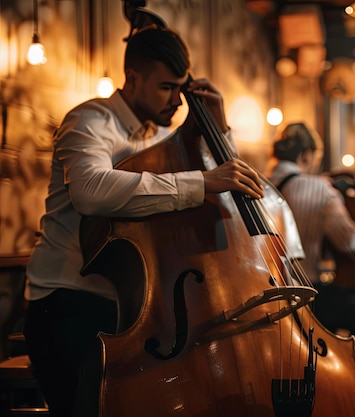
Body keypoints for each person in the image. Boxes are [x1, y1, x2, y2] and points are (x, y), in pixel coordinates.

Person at [22, 26, 264, 417]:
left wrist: (218, 132)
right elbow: (90, 191)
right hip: (69, 304)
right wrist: (202, 182)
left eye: (181, 88)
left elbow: (226, 189)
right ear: (133, 78)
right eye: (167, 88)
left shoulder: (160, 139)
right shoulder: (90, 120)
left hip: (137, 308)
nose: (177, 101)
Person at [268, 122, 355, 384]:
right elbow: (351, 243)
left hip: (267, 298)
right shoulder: (320, 188)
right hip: (306, 299)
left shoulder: (259, 184)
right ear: (305, 156)